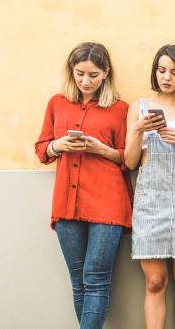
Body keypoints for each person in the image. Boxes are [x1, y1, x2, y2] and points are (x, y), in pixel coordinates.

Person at [34, 42, 129, 329]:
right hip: (66, 203)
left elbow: (129, 158)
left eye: (93, 75)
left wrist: (100, 148)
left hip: (107, 203)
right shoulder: (57, 103)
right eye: (79, 74)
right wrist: (57, 145)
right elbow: (41, 150)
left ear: (106, 73)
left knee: (96, 279)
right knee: (78, 280)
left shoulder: (120, 109)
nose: (85, 81)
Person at [124, 44, 175, 329]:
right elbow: (130, 161)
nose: (167, 77)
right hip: (149, 201)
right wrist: (138, 129)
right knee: (155, 281)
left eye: (174, 72)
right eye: (161, 70)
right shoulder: (139, 107)